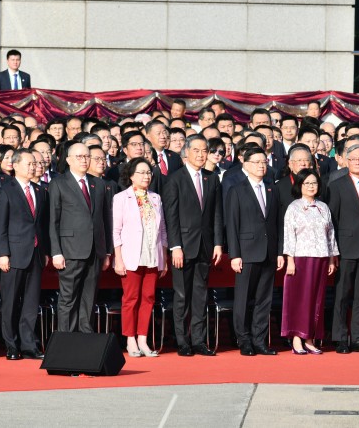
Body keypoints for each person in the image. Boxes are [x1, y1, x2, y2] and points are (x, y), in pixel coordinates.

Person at [162, 134, 223, 357]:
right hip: (183, 247)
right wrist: (175, 246)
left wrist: (218, 243)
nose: (200, 154)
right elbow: (171, 216)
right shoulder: (174, 179)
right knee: (181, 296)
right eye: (196, 150)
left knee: (200, 295)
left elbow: (217, 214)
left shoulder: (212, 178)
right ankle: (182, 341)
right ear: (186, 152)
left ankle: (198, 340)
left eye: (204, 150)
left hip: (205, 246)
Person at [225, 146, 284, 356]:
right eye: (256, 162)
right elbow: (232, 224)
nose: (261, 165)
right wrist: (235, 255)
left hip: (268, 252)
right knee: (243, 299)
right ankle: (244, 340)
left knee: (263, 299)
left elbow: (277, 223)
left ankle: (260, 340)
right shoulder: (236, 190)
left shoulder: (272, 188)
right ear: (246, 165)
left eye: (263, 162)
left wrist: (279, 252)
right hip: (247, 252)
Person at [49, 142, 111, 333]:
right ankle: (66, 340)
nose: (84, 160)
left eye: (86, 156)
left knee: (89, 297)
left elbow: (105, 219)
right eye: (79, 156)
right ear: (68, 160)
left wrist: (106, 251)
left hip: (95, 249)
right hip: (70, 249)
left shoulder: (99, 184)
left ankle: (85, 338)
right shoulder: (58, 183)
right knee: (68, 298)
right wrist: (56, 252)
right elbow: (53, 220)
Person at [325, 143, 359, 354]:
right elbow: (332, 220)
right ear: (346, 161)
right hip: (346, 247)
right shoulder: (337, 185)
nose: (358, 161)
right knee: (342, 294)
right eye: (354, 158)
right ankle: (340, 338)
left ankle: (358, 337)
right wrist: (333, 252)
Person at [0, 150, 49, 360]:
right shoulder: (5, 190)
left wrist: (44, 250)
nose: (33, 166)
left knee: (30, 302)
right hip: (13, 253)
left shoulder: (39, 190)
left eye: (34, 163)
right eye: (28, 163)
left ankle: (29, 345)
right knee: (10, 302)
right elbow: (0, 225)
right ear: (15, 165)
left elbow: (41, 224)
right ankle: (11, 345)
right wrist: (3, 254)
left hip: (35, 253)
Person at [112, 157, 168, 357]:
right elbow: (115, 231)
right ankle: (130, 339)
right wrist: (118, 258)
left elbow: (162, 231)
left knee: (148, 298)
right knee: (131, 298)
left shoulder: (155, 198)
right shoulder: (121, 198)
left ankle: (143, 338)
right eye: (142, 172)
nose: (146, 176)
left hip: (152, 255)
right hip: (131, 256)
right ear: (131, 176)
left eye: (148, 172)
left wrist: (164, 257)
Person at [282, 168, 338, 355]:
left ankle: (310, 338)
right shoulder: (294, 207)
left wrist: (331, 258)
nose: (311, 186)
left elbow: (330, 235)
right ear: (299, 185)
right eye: (307, 183)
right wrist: (290, 260)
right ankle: (297, 337)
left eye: (314, 183)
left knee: (317, 299)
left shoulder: (323, 207)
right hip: (301, 258)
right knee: (301, 299)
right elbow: (289, 235)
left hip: (321, 257)